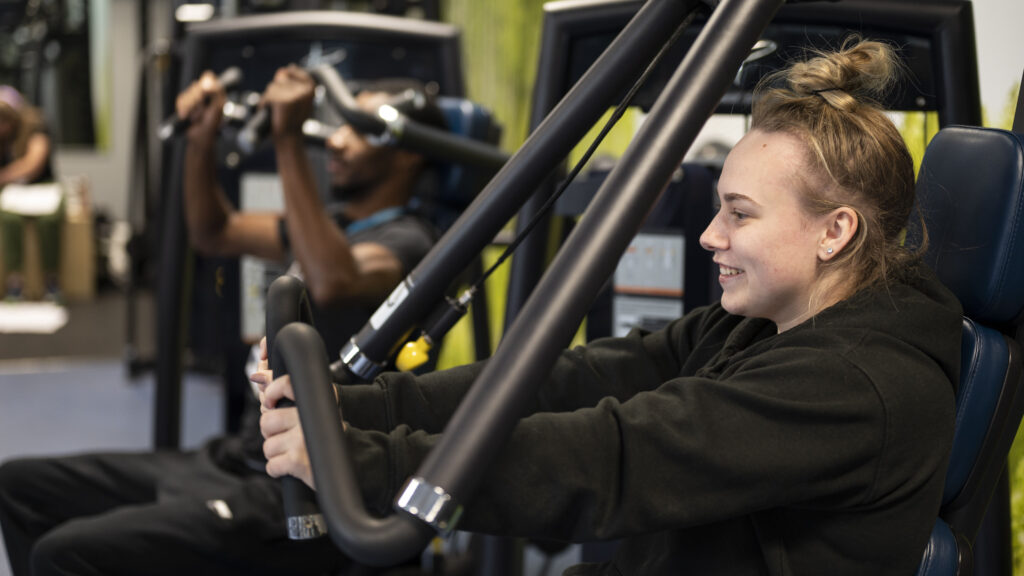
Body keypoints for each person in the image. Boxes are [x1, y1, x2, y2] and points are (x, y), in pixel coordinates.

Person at [258, 39, 962, 575]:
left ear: (834, 231)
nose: (710, 236)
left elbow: (620, 458)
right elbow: (590, 378)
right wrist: (363, 406)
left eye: (740, 214)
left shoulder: (857, 386)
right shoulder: (762, 325)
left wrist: (368, 464)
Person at [0, 66, 446, 576]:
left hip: (301, 493)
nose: (338, 140)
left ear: (409, 151)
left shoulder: (410, 242)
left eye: (359, 127)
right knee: (20, 486)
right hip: (235, 459)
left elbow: (331, 279)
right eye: (339, 124)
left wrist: (287, 140)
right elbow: (214, 231)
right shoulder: (334, 225)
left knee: (64, 554)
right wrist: (202, 140)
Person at [0, 85, 60, 301]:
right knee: (9, 219)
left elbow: (33, 163)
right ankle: (15, 282)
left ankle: (51, 281)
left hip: (44, 189)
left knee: (49, 222)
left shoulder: (35, 126)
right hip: (14, 194)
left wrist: (5, 176)